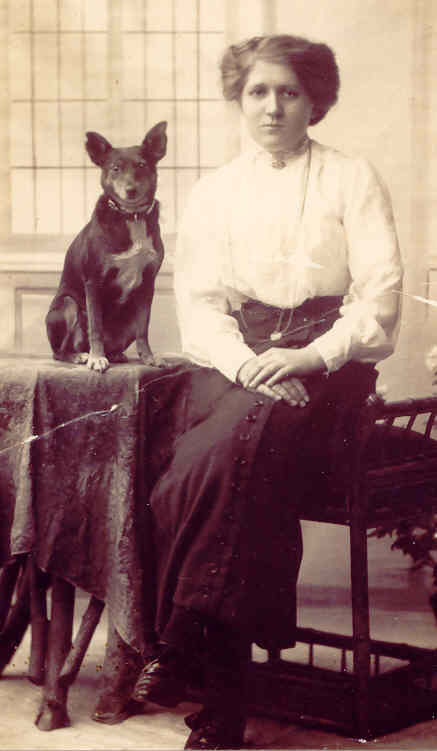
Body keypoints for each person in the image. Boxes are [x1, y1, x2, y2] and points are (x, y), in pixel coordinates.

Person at [132, 34, 403, 749]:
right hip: (237, 366)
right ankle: (208, 678)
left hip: (328, 373)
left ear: (315, 99)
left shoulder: (351, 177)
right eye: (258, 91)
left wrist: (304, 357)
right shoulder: (217, 189)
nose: (272, 106)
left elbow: (376, 303)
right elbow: (200, 304)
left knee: (223, 457)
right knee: (189, 472)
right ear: (238, 100)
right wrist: (246, 362)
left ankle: (188, 656)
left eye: (288, 91)